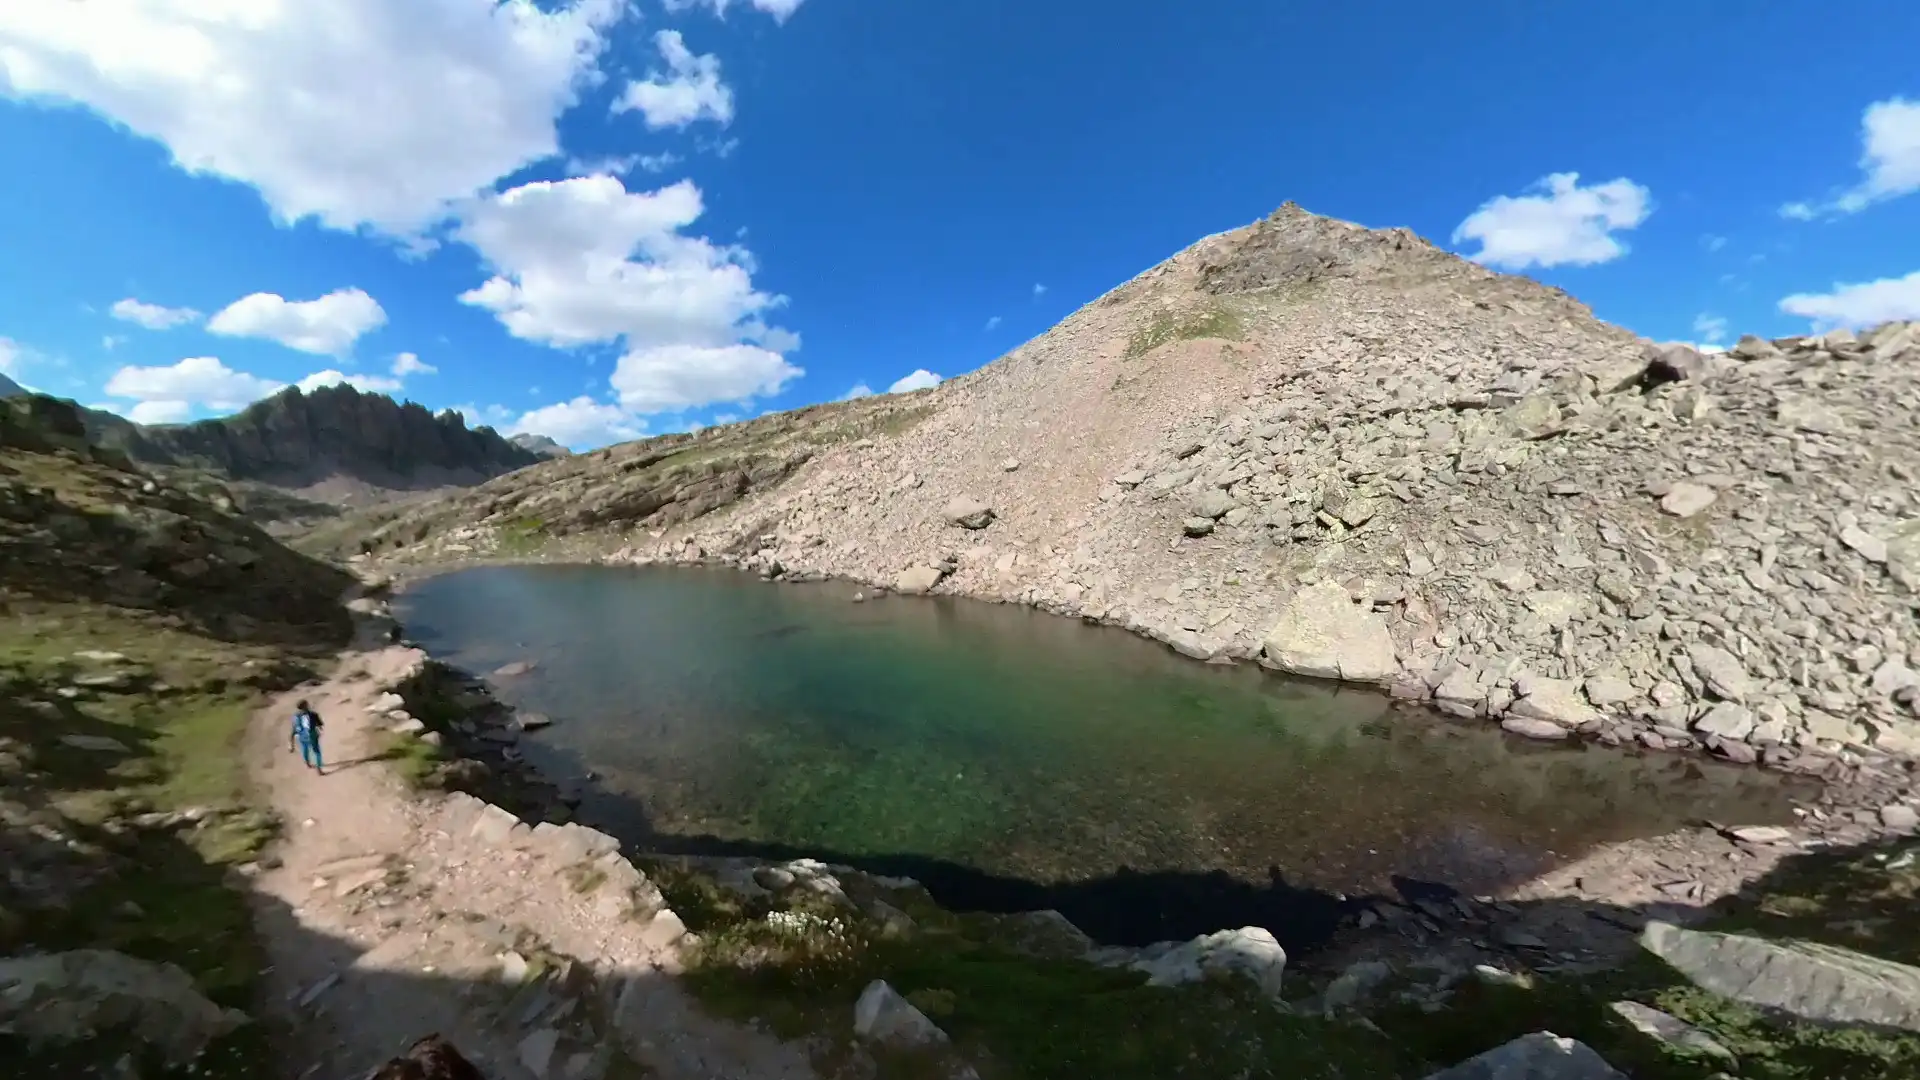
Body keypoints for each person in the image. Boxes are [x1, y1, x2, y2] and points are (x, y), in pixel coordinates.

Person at [290, 699, 326, 774]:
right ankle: (319, 769)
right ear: (306, 706)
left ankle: (307, 763)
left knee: (305, 750)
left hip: (302, 736)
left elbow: (294, 729)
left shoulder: (296, 716)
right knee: (317, 752)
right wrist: (319, 728)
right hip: (312, 735)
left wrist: (291, 744)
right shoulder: (313, 714)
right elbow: (320, 724)